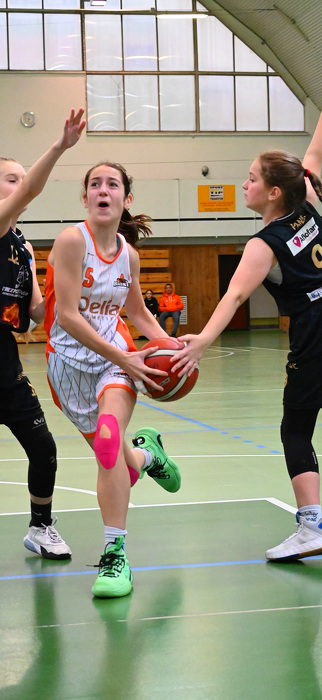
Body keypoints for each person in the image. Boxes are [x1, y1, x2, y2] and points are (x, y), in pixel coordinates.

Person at [172, 59, 322, 562]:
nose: (245, 184)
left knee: (295, 427)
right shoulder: (305, 206)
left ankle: (311, 526)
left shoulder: (264, 242)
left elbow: (234, 297)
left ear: (273, 192)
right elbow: (315, 151)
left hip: (321, 326)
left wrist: (201, 343)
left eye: (251, 179)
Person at [44, 161, 182, 598]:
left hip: (114, 362)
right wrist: (124, 354)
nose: (103, 190)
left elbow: (137, 312)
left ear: (126, 199)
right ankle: (147, 455)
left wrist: (171, 348)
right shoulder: (72, 241)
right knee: (120, 462)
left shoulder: (129, 255)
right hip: (67, 368)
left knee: (107, 445)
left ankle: (115, 556)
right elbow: (67, 316)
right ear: (85, 197)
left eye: (113, 184)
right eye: (95, 184)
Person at [0, 110, 85, 560]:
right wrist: (60, 146)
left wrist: (78, 304)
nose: (22, 184)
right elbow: (33, 188)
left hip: (6, 366)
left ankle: (40, 527)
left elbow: (35, 312)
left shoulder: (23, 245)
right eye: (11, 179)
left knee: (43, 447)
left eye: (21, 178)